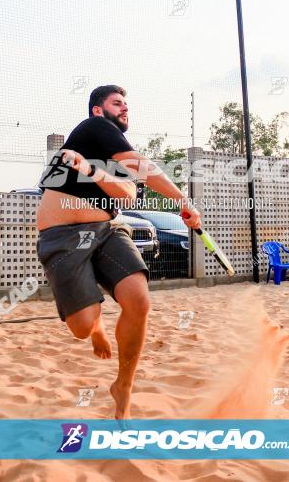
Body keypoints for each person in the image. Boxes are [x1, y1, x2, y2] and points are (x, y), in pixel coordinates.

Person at [36, 84, 201, 420]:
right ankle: (95, 327)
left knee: (139, 299)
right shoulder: (93, 128)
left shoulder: (112, 154)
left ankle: (123, 384)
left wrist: (91, 170)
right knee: (82, 327)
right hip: (63, 236)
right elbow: (139, 166)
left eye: (127, 103)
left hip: (107, 231)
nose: (125, 108)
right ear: (98, 110)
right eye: (117, 103)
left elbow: (127, 196)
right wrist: (183, 200)